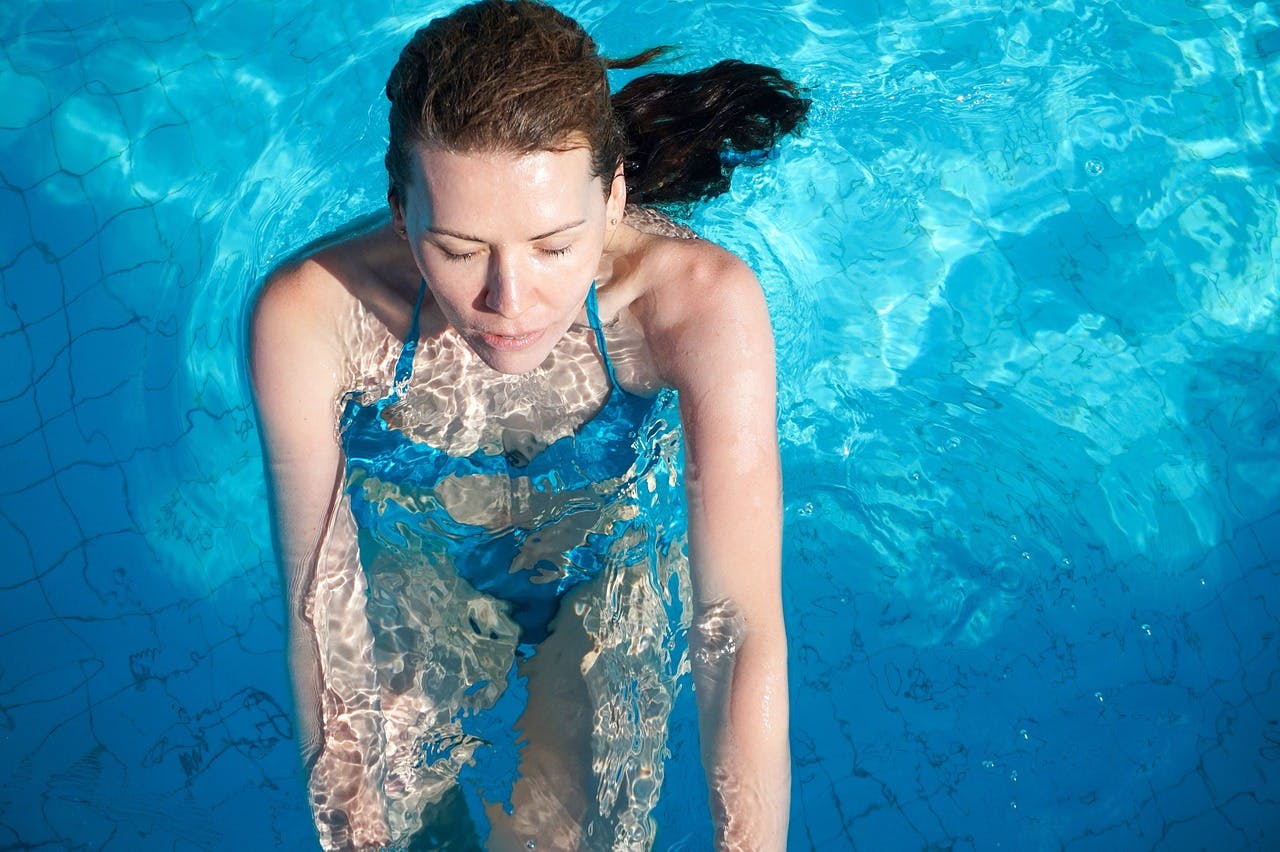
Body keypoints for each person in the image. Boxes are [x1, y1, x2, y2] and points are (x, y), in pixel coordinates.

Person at [250, 1, 808, 848]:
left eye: (553, 246)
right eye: (460, 248)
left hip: (602, 573)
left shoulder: (693, 306)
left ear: (614, 196)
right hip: (422, 576)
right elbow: (320, 614)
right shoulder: (313, 317)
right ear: (401, 214)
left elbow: (736, 625)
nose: (509, 304)